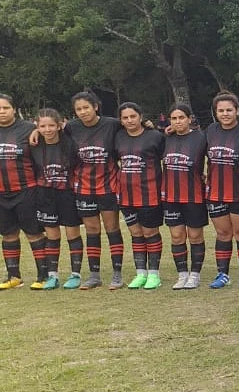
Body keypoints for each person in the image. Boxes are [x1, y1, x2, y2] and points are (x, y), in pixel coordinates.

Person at [0, 94, 48, 290]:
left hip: (26, 190)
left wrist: (37, 130)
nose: (2, 112)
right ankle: (13, 277)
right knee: (8, 234)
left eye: (6, 108)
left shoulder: (28, 129)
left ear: (13, 109)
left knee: (34, 233)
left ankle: (43, 276)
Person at [66, 92, 126, 289]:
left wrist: (151, 125)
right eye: (79, 109)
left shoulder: (112, 124)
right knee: (92, 230)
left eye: (86, 107)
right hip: (84, 187)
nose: (83, 112)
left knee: (112, 229)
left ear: (96, 107)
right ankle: (94, 275)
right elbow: (51, 133)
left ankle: (117, 274)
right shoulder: (71, 128)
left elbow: (135, 126)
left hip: (108, 186)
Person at [204, 92, 239, 289]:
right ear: (216, 112)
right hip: (216, 192)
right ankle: (222, 274)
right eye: (221, 110)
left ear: (237, 111)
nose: (225, 114)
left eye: (229, 110)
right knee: (223, 234)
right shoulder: (210, 130)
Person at [113, 102, 166, 289]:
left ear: (141, 117)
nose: (129, 121)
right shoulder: (117, 137)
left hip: (149, 193)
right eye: (125, 118)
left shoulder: (156, 137)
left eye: (133, 116)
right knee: (135, 233)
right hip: (126, 195)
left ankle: (154, 274)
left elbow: (165, 159)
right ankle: (140, 273)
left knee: (150, 232)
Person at [30, 108, 83, 289]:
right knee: (52, 235)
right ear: (36, 126)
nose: (47, 129)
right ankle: (53, 275)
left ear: (59, 125)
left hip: (68, 194)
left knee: (72, 233)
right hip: (45, 195)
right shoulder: (34, 145)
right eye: (42, 126)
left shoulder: (70, 144)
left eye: (51, 125)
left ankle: (75, 274)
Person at [161, 104, 209, 289]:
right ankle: (182, 274)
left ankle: (195, 274)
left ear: (190, 119)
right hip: (171, 197)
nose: (178, 121)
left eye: (181, 117)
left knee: (195, 236)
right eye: (174, 118)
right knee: (176, 236)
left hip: (194, 195)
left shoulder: (201, 138)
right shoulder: (165, 139)